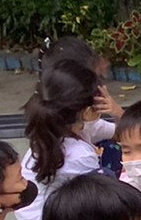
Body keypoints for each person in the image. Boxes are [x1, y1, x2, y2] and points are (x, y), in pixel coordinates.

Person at [15, 58, 108, 220]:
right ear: (87, 111)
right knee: (108, 178)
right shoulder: (79, 154)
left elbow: (118, 131)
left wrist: (115, 111)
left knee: (109, 147)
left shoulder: (52, 130)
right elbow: (98, 198)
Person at [42, 36, 124, 173]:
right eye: (96, 82)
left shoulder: (51, 123)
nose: (102, 88)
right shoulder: (81, 155)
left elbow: (121, 133)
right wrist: (118, 112)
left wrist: (117, 112)